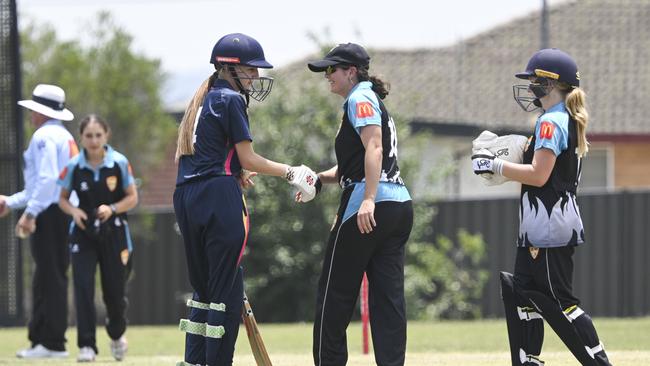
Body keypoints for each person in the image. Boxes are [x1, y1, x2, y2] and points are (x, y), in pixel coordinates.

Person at [173, 32, 318, 366]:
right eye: (251, 70)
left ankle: (193, 361)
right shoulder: (231, 100)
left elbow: (207, 153)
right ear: (229, 68)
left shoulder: (202, 98)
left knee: (204, 291)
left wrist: (232, 169)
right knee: (226, 292)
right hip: (218, 197)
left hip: (186, 195)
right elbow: (250, 158)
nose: (255, 77)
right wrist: (292, 172)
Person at [471, 48, 612, 365]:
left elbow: (539, 175)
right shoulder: (556, 119)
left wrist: (497, 166)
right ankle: (527, 360)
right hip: (540, 225)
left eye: (534, 80)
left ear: (551, 83)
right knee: (520, 291)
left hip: (549, 226)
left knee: (560, 301)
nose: (530, 86)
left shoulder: (551, 122)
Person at [306, 43, 413, 366]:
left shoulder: (360, 98)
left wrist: (367, 199)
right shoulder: (369, 99)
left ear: (351, 72)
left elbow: (375, 149)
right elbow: (353, 164)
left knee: (333, 297)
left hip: (369, 205)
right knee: (388, 301)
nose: (327, 77)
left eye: (331, 70)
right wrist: (318, 178)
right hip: (398, 205)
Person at [0, 84, 77, 358]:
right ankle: (44, 340)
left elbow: (46, 181)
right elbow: (41, 186)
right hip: (59, 210)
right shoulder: (61, 135)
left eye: (33, 109)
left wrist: (30, 214)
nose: (31, 114)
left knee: (50, 276)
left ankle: (52, 342)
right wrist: (10, 202)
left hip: (51, 213)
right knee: (47, 275)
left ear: (40, 112)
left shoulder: (43, 136)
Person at [57, 114, 137, 362]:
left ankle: (116, 335)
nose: (93, 140)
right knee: (82, 287)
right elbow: (61, 199)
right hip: (83, 235)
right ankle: (87, 346)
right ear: (81, 137)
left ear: (106, 135)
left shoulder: (119, 163)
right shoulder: (73, 166)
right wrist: (75, 211)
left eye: (98, 135)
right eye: (88, 136)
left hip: (114, 233)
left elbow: (132, 198)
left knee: (114, 292)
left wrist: (112, 209)